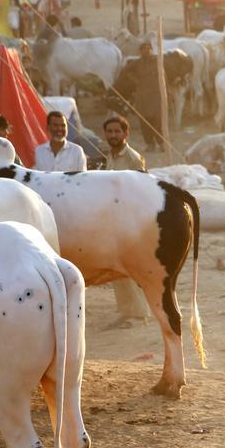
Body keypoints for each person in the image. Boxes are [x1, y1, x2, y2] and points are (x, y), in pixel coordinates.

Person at [102, 114, 151, 326]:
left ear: (125, 133)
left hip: (130, 220)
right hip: (114, 219)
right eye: (110, 131)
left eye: (117, 131)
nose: (113, 135)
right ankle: (127, 310)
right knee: (116, 267)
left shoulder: (133, 158)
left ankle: (138, 312)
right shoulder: (110, 156)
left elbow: (141, 190)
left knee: (129, 267)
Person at [128, 41, 166, 153]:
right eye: (145, 49)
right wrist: (135, 81)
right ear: (141, 51)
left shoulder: (157, 61)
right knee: (144, 121)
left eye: (149, 48)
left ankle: (161, 143)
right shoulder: (137, 63)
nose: (147, 51)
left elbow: (164, 76)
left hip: (156, 95)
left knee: (158, 120)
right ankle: (150, 143)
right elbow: (126, 71)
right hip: (142, 95)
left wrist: (167, 91)